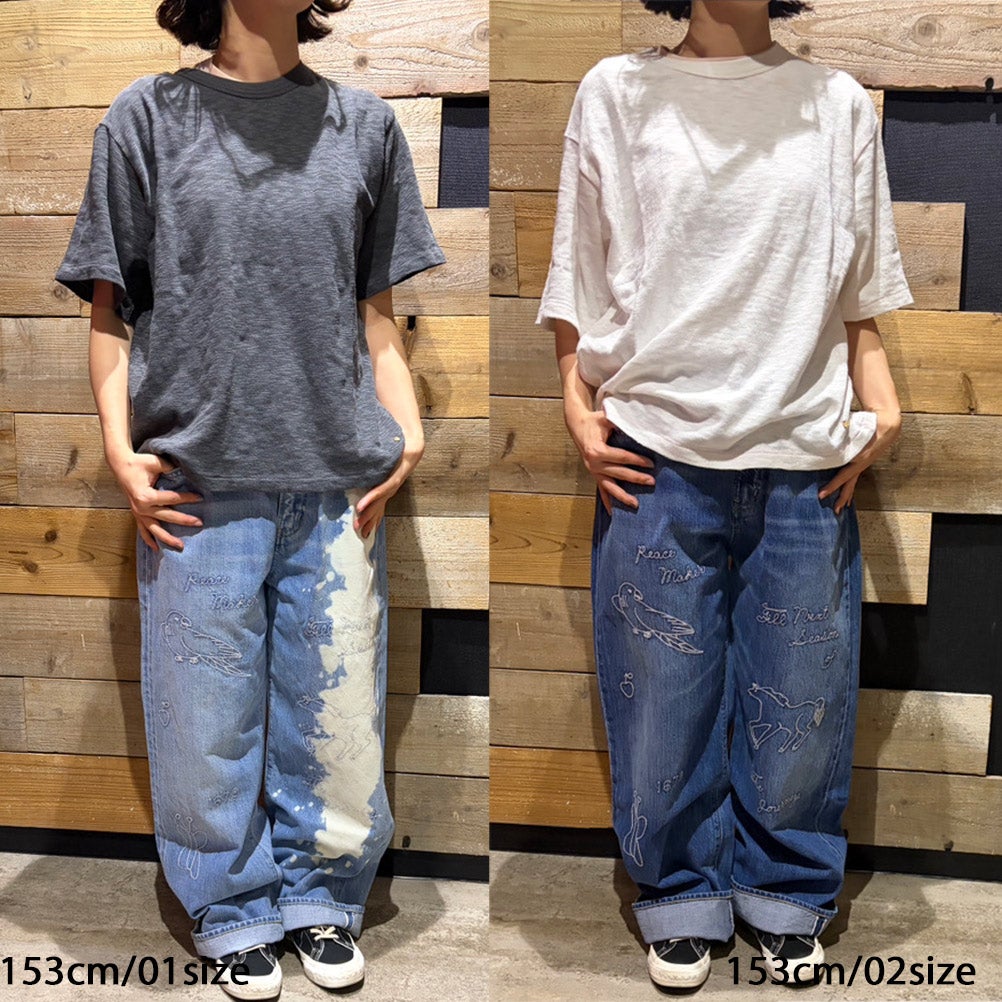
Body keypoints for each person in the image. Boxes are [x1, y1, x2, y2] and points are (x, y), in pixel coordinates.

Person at [54, 1, 446, 997]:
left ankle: (323, 900)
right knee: (206, 725)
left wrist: (406, 429)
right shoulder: (146, 118)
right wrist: (119, 452)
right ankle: (231, 908)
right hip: (195, 480)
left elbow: (376, 311)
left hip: (337, 482)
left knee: (336, 718)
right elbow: (109, 308)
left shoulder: (363, 125)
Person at [536, 0, 913, 990]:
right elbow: (579, 270)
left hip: (805, 455)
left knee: (804, 702)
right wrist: (575, 401)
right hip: (654, 451)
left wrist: (885, 406)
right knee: (663, 702)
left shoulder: (835, 102)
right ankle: (679, 894)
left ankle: (787, 893)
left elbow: (860, 286)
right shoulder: (618, 92)